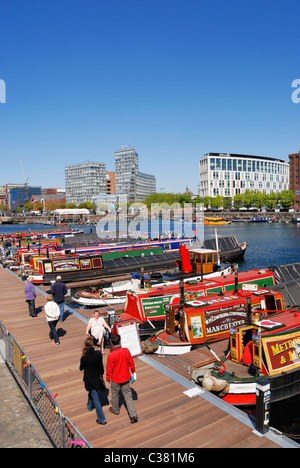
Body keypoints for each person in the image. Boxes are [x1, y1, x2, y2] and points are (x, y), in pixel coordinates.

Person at [106, 334, 138, 424]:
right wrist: (133, 371)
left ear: (112, 343)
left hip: (116, 379)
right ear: (120, 341)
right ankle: (133, 415)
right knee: (128, 396)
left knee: (115, 395)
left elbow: (109, 369)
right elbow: (131, 362)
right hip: (126, 377)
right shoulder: (126, 351)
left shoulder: (111, 355)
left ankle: (116, 410)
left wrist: (108, 379)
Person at [79, 337, 107, 425]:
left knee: (96, 399)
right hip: (97, 379)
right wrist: (102, 373)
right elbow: (101, 365)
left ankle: (102, 418)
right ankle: (90, 406)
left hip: (89, 380)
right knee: (93, 393)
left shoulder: (84, 357)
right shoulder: (98, 354)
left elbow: (81, 368)